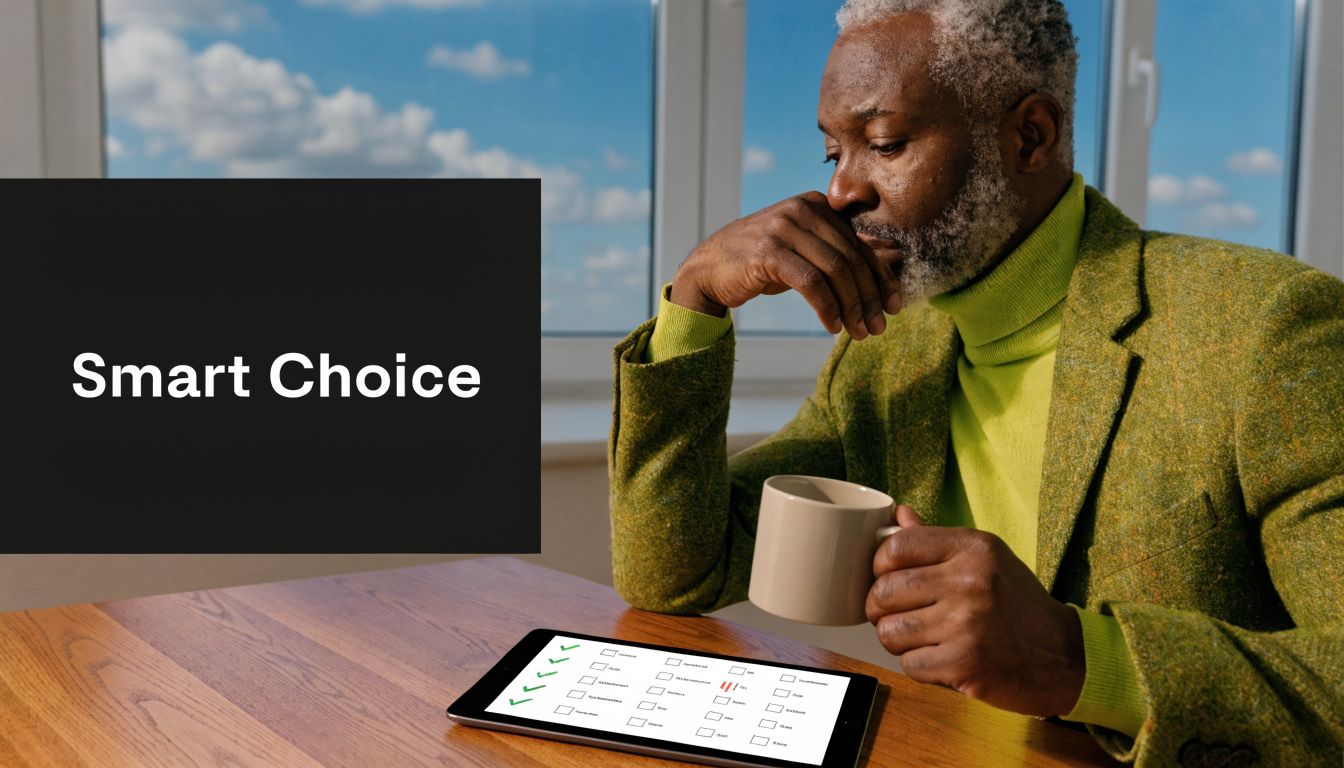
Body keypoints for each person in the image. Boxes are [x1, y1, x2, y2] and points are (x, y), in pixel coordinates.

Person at [607, 0, 1344, 765]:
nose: (841, 193)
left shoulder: (1266, 332)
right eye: (833, 153)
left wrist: (1080, 660)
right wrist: (694, 299)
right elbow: (675, 570)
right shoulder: (892, 352)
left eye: (884, 143)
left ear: (1031, 135)